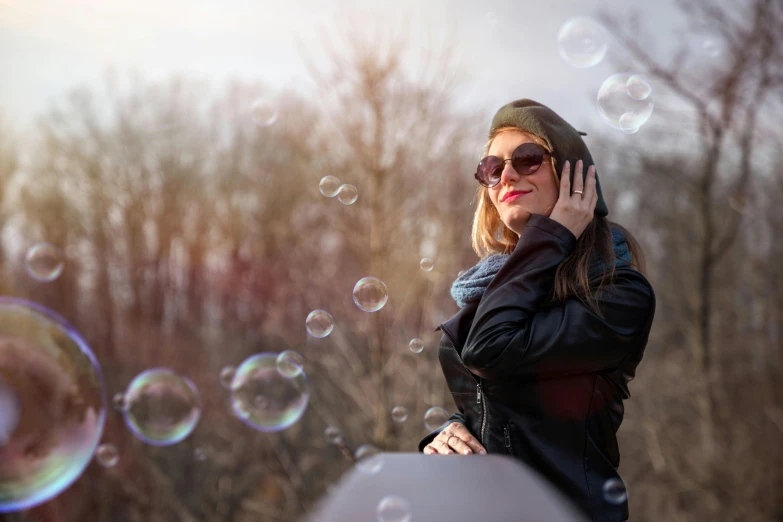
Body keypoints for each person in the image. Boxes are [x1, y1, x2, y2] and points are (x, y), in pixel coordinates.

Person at [418, 99, 656, 522]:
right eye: (491, 168)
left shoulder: (619, 295)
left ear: (574, 177)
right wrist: (450, 432)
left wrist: (554, 233)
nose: (506, 175)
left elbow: (491, 350)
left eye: (527, 159)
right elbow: (502, 399)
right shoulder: (496, 289)